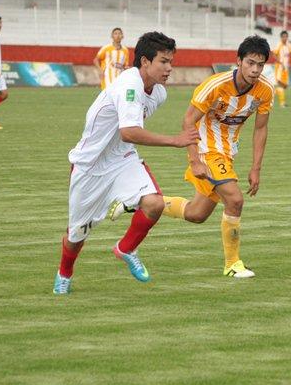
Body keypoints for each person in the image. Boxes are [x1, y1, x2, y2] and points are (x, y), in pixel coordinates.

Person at [111, 35, 274, 278]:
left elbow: (261, 128)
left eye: (260, 65)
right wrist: (195, 159)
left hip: (227, 153)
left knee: (196, 214)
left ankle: (140, 201)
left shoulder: (265, 90)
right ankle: (232, 264)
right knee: (235, 200)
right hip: (207, 149)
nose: (255, 70)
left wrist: (256, 168)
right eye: (250, 63)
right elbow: (188, 120)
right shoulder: (215, 85)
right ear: (238, 61)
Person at [53, 32, 199, 295]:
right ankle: (64, 273)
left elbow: (127, 138)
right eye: (164, 62)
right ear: (145, 61)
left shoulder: (159, 93)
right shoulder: (129, 85)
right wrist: (176, 141)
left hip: (122, 160)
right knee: (76, 236)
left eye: (171, 61)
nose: (170, 68)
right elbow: (129, 131)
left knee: (154, 203)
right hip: (90, 166)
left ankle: (126, 248)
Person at [272, 30, 291, 108]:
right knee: (280, 84)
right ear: (281, 37)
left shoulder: (288, 45)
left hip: (285, 68)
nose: (285, 38)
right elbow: (273, 54)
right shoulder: (279, 45)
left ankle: (269, 93)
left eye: (286, 36)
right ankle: (282, 103)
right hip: (279, 67)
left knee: (285, 86)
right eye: (283, 37)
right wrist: (280, 62)